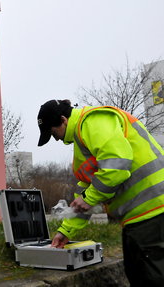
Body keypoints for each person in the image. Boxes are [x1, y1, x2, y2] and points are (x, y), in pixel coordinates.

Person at [37, 99, 164, 286]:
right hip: (136, 220)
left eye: (53, 132)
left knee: (153, 279)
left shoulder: (93, 121)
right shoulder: (82, 144)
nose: (55, 138)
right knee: (137, 276)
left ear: (63, 120)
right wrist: (65, 231)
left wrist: (89, 198)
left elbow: (117, 165)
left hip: (154, 212)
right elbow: (87, 196)